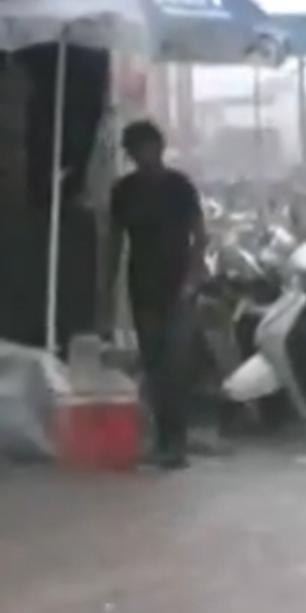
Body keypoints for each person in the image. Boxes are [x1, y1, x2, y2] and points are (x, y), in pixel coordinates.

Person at [101, 119, 206, 470]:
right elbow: (115, 241)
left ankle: (177, 440)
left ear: (158, 147)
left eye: (145, 147)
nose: (141, 155)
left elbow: (198, 233)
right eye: (134, 150)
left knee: (176, 363)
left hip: (178, 284)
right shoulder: (124, 191)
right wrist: (107, 284)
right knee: (154, 362)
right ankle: (162, 438)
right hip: (142, 283)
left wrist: (193, 276)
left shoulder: (179, 186)